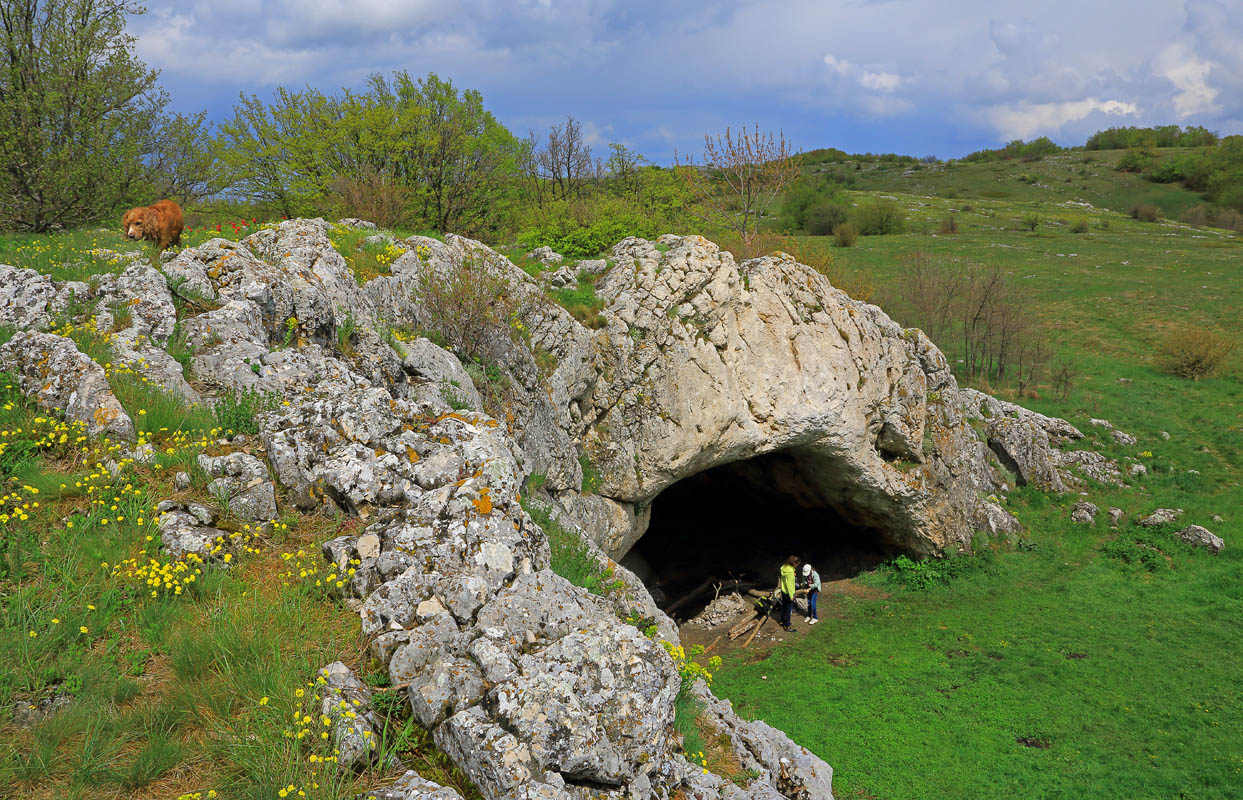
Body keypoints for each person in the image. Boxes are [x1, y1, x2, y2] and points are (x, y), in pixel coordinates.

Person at [777, 555, 800, 631]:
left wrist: (792, 574)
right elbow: (790, 585)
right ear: (794, 563)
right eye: (797, 564)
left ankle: (782, 621)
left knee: (784, 606)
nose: (797, 566)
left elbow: (785, 580)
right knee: (788, 609)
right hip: (788, 593)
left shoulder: (784, 567)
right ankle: (787, 626)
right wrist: (791, 596)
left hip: (783, 591)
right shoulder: (790, 572)